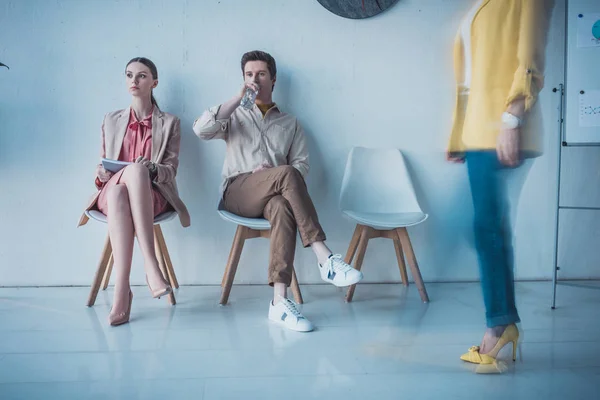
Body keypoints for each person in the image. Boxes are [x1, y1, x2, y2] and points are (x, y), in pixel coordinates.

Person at [194, 50, 363, 332]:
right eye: (249, 75)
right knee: (286, 173)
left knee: (283, 205)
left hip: (273, 195)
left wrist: (270, 175)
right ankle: (325, 257)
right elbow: (201, 129)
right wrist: (238, 98)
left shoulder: (290, 123)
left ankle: (279, 303)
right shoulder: (233, 116)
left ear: (273, 79)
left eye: (261, 74)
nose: (255, 80)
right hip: (237, 192)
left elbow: (302, 168)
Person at [446, 0, 553, 364]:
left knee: (484, 226)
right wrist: (458, 135)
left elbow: (531, 57)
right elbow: (468, 80)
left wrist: (513, 118)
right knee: (483, 226)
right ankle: (502, 323)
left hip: (503, 126)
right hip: (477, 132)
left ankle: (499, 326)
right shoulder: (475, 6)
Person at [79, 57, 190, 326]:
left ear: (154, 82)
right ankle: (151, 267)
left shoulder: (170, 122)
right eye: (129, 75)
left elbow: (170, 170)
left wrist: (152, 168)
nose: (134, 81)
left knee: (132, 180)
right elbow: (103, 162)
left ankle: (122, 291)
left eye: (141, 76)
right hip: (112, 186)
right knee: (122, 183)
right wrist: (102, 173)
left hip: (150, 195)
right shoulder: (111, 119)